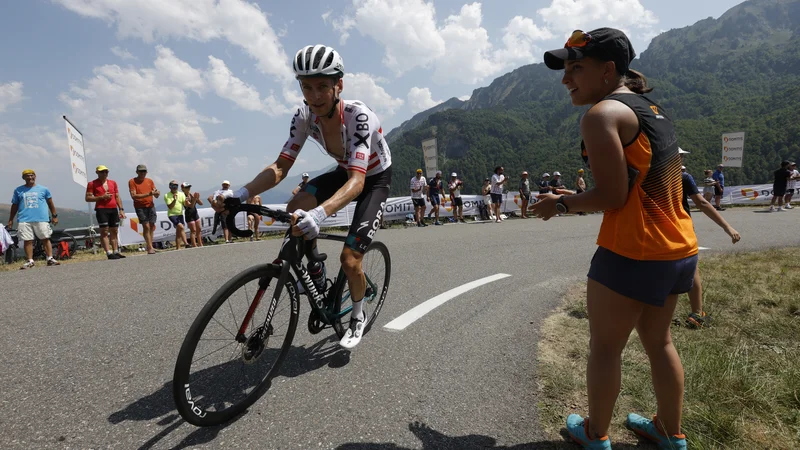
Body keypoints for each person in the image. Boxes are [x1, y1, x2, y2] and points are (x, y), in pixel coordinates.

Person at [535, 28, 698, 449]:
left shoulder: (601, 115)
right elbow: (634, 185)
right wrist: (576, 196)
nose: (566, 78)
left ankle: (595, 435)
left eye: (576, 68)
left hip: (632, 251)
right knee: (660, 342)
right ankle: (669, 432)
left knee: (605, 348)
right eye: (566, 68)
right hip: (677, 247)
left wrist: (560, 204)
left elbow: (612, 195)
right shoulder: (649, 108)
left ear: (607, 71)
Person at [214, 44, 392, 349]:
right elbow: (281, 166)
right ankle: (315, 269)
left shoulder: (359, 116)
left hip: (372, 178)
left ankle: (358, 315)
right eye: (307, 87)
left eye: (323, 86)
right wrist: (241, 193)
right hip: (343, 171)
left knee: (350, 261)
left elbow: (358, 180)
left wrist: (320, 215)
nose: (315, 95)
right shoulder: (303, 117)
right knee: (295, 206)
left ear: (339, 86)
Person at [679, 150, 740, 329]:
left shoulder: (646, 174)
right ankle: (697, 314)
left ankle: (655, 316)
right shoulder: (683, 177)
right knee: (692, 269)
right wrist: (727, 227)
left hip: (653, 228)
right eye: (681, 156)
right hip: (681, 227)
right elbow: (703, 203)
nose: (682, 158)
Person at [7, 169, 60, 269]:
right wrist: (11, 219)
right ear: (23, 178)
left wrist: (54, 216)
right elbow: (14, 205)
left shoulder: (44, 189)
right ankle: (30, 261)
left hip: (41, 218)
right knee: (27, 240)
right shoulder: (18, 190)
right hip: (24, 219)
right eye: (27, 176)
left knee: (45, 238)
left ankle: (50, 258)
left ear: (35, 176)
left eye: (32, 175)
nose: (30, 177)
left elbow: (50, 203)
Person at [86, 165, 126, 259]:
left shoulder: (113, 183)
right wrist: (101, 197)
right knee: (104, 231)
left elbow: (117, 196)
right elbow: (87, 198)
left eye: (106, 172)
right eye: (102, 172)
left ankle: (116, 251)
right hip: (101, 209)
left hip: (113, 209)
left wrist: (121, 209)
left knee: (114, 230)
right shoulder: (92, 184)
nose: (104, 174)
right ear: (97, 173)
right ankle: (108, 252)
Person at [128, 164, 160, 254]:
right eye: (141, 171)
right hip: (140, 206)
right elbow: (133, 196)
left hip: (151, 205)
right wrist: (149, 194)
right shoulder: (132, 181)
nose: (143, 173)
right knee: (146, 226)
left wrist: (157, 193)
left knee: (152, 226)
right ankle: (149, 247)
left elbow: (155, 193)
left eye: (144, 171)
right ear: (137, 172)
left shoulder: (150, 181)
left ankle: (150, 245)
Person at [165, 180, 188, 250]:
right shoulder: (167, 195)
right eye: (173, 185)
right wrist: (174, 200)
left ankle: (178, 247)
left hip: (180, 214)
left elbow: (185, 205)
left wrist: (188, 201)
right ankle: (186, 243)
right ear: (170, 187)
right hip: (172, 214)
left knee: (179, 231)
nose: (175, 187)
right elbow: (170, 207)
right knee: (181, 227)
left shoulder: (181, 194)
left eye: (176, 186)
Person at [182, 182, 203, 248]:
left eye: (189, 187)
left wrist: (197, 198)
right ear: (183, 189)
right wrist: (194, 199)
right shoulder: (183, 196)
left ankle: (200, 243)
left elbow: (201, 203)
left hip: (195, 213)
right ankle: (194, 245)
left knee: (199, 229)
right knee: (193, 230)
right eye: (186, 187)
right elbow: (190, 206)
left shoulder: (191, 194)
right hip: (189, 215)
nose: (188, 189)